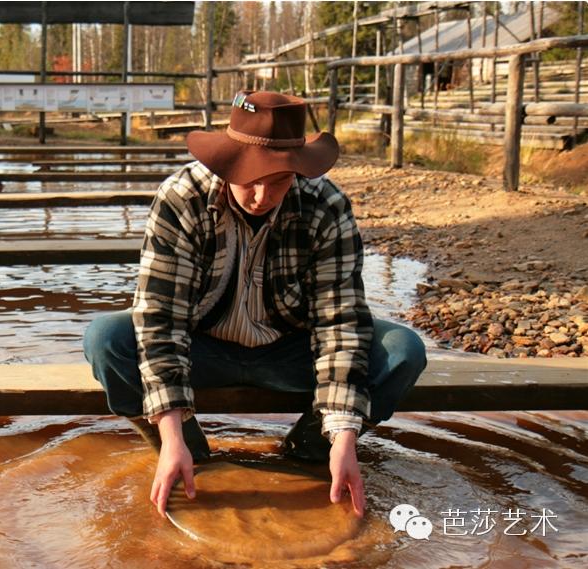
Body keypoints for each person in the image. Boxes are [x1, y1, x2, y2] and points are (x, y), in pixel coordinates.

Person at [83, 91, 426, 520]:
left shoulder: (327, 206)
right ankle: (188, 452)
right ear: (228, 165)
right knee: (107, 339)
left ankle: (309, 451)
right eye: (250, 179)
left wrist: (345, 439)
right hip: (202, 348)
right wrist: (171, 437)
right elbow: (160, 320)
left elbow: (340, 324)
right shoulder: (181, 199)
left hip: (290, 351)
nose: (262, 195)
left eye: (278, 180)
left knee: (402, 352)